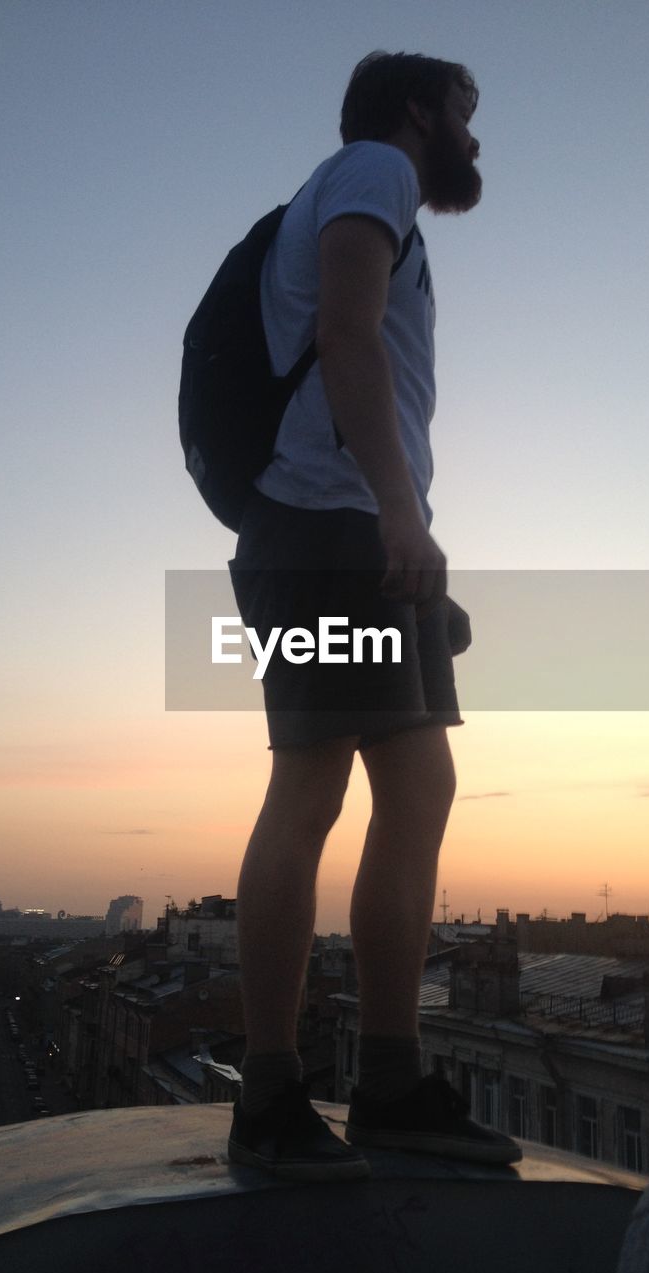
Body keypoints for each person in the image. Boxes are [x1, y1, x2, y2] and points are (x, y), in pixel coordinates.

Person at [225, 51, 521, 1180]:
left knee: (415, 782)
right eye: (465, 114)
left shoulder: (366, 187)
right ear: (417, 112)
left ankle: (387, 1082)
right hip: (332, 531)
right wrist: (402, 519)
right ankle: (274, 1093)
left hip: (341, 535)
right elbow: (347, 334)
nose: (474, 139)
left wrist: (405, 537)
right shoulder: (371, 171)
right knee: (312, 785)